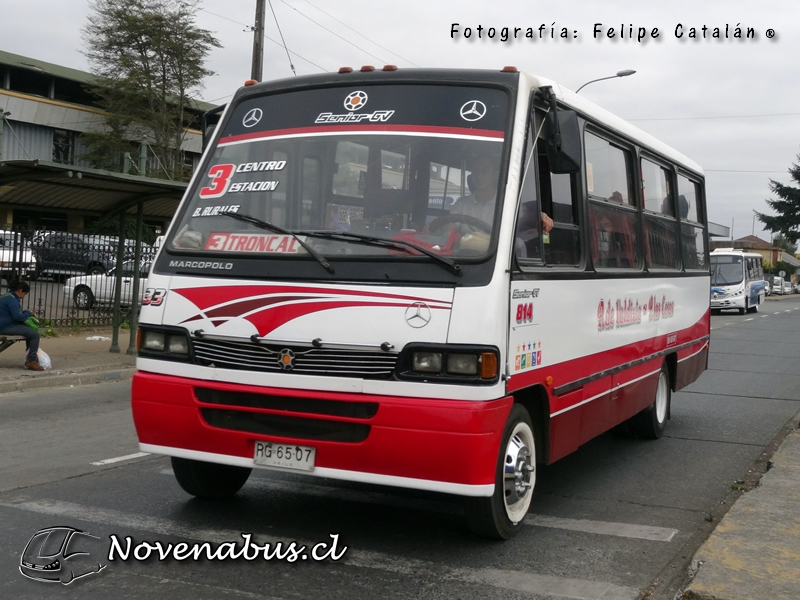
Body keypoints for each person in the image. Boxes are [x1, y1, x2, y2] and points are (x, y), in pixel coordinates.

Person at [0, 280, 42, 371]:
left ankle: (29, 357)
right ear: (20, 290)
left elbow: (13, 314)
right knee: (35, 335)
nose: (23, 296)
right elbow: (18, 317)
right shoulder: (12, 300)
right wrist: (28, 313)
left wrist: (25, 313)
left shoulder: (8, 296)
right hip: (6, 327)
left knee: (29, 333)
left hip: (5, 324)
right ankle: (31, 360)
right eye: (24, 293)